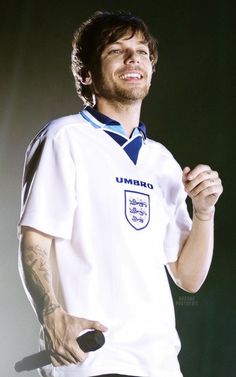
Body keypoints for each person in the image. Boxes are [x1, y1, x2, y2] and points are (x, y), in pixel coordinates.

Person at [18, 11, 223, 377]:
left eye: (142, 51)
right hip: (92, 360)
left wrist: (204, 211)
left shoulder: (162, 161)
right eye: (116, 50)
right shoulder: (64, 138)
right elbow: (34, 241)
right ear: (87, 73)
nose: (134, 59)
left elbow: (188, 278)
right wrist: (50, 315)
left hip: (160, 364)